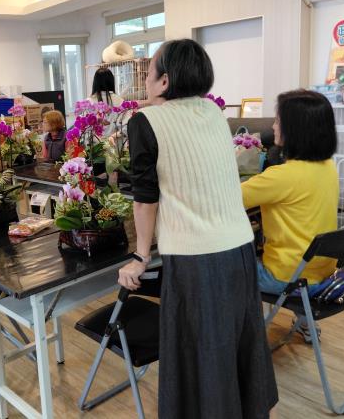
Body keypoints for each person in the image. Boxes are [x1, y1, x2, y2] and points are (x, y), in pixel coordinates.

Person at [118, 39, 278, 419]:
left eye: (150, 71)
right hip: (240, 250)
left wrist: (140, 256)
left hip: (195, 258)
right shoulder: (213, 113)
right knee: (235, 342)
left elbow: (144, 199)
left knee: (203, 350)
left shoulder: (144, 121)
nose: (146, 79)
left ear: (164, 81)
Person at [241, 89, 338, 343]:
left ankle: (239, 338)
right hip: (324, 271)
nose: (273, 127)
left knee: (225, 269)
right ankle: (306, 322)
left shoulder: (281, 177)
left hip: (284, 277)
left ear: (295, 129)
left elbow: (227, 199)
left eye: (277, 121)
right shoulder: (329, 167)